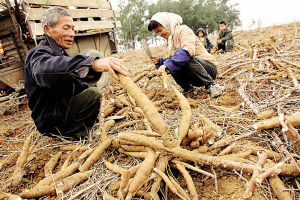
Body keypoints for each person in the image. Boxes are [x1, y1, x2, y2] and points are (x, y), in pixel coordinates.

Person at [24, 7, 128, 140]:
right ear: (47, 29)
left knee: (92, 90)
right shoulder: (38, 54)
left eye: (72, 28)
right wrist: (92, 63)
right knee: (93, 94)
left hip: (61, 111)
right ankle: (74, 136)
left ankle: (77, 126)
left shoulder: (60, 52)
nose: (72, 33)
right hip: (51, 122)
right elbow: (45, 70)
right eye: (66, 28)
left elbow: (74, 80)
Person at [148, 12, 224, 97]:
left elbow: (187, 51)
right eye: (156, 33)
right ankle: (187, 89)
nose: (159, 34)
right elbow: (172, 61)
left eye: (159, 30)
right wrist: (160, 61)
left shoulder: (183, 30)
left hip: (208, 70)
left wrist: (167, 64)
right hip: (195, 77)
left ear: (167, 24)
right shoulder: (169, 41)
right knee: (172, 63)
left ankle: (212, 85)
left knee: (185, 57)